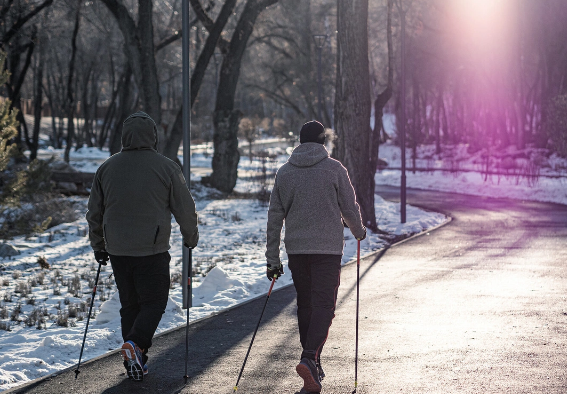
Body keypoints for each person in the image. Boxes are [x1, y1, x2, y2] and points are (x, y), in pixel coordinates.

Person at [86, 111, 199, 381]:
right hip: (152, 249)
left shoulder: (107, 168)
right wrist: (190, 236)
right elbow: (185, 208)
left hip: (117, 250)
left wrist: (98, 245)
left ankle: (136, 359)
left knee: (130, 305)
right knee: (155, 301)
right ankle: (136, 344)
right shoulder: (167, 167)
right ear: (154, 136)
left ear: (124, 136)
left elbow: (94, 211)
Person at [265, 120, 366, 393]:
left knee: (306, 305)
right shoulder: (334, 169)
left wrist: (272, 257)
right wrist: (358, 231)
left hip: (297, 250)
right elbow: (349, 206)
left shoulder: (285, 173)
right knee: (324, 306)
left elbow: (274, 217)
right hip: (327, 250)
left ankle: (313, 362)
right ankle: (309, 357)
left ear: (300, 141)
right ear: (323, 141)